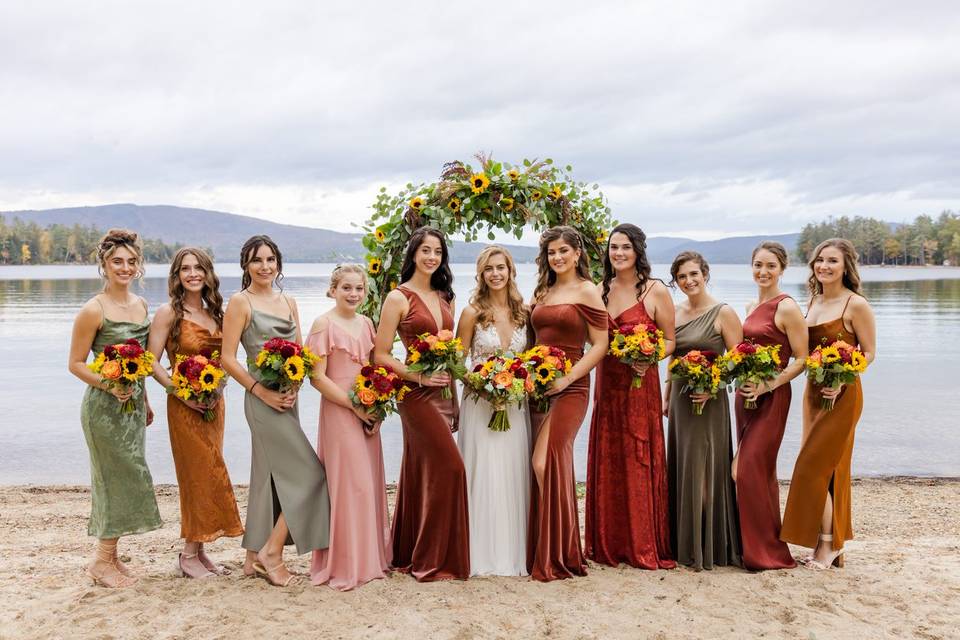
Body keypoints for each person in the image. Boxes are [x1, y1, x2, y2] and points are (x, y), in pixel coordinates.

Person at [220, 235, 330, 587]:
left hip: (289, 398)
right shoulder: (240, 302)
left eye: (270, 260)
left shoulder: (289, 301)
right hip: (261, 400)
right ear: (245, 265)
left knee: (268, 475)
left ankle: (253, 555)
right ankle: (272, 551)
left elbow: (298, 350)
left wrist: (296, 385)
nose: (265, 267)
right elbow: (227, 359)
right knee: (312, 475)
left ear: (278, 263)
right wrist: (261, 392)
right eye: (257, 260)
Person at [373, 227, 470, 581]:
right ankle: (432, 558)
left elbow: (451, 356)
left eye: (438, 252)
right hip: (415, 395)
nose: (432, 257)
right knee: (452, 469)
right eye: (425, 250)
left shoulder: (446, 296)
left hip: (443, 394)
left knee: (423, 473)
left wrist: (455, 400)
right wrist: (417, 377)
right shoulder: (398, 298)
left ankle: (410, 550)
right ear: (413, 253)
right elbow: (380, 354)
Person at [67, 229, 162, 587]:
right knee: (114, 479)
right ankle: (101, 561)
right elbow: (76, 363)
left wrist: (146, 399)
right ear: (104, 265)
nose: (125, 267)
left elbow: (143, 360)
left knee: (127, 476)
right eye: (117, 262)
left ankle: (112, 557)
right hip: (104, 410)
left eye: (131, 262)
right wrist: (111, 384)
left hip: (133, 408)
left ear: (138, 266)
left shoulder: (140, 305)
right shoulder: (93, 309)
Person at [781, 238, 877, 570]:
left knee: (811, 467)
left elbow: (868, 353)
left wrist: (841, 379)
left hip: (843, 395)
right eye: (819, 260)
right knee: (828, 469)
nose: (824, 266)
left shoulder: (856, 305)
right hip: (813, 393)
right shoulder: (814, 300)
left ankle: (827, 546)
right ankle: (833, 543)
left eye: (832, 261)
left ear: (846, 266)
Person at [148, 247, 243, 578]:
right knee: (196, 474)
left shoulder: (218, 314)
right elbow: (151, 362)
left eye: (198, 268)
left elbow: (226, 360)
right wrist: (180, 392)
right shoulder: (167, 313)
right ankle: (188, 554)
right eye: (185, 269)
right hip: (184, 406)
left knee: (211, 469)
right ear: (176, 275)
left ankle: (199, 550)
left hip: (214, 404)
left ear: (208, 273)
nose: (192, 274)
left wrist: (219, 386)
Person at [586, 223, 676, 570]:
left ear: (638, 250)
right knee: (610, 455)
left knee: (638, 456)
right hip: (607, 385)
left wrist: (648, 357)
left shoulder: (655, 291)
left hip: (640, 386)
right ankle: (607, 542)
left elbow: (670, 340)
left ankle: (642, 542)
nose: (619, 253)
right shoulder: (598, 290)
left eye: (625, 247)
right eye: (613, 248)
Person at [527, 226, 608, 581]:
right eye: (551, 252)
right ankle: (541, 544)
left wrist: (568, 377)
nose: (557, 257)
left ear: (577, 254)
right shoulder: (543, 291)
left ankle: (560, 549)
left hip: (571, 386)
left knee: (545, 463)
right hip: (537, 388)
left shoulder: (588, 291)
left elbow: (601, 345)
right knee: (540, 465)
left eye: (563, 251)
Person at [307, 264, 391, 590]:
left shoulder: (367, 323)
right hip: (340, 412)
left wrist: (377, 408)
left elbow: (371, 371)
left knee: (369, 484)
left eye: (358, 288)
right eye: (346, 288)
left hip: (367, 410)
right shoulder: (322, 324)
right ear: (333, 289)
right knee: (350, 486)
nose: (353, 294)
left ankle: (371, 560)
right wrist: (354, 405)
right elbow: (317, 378)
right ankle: (345, 563)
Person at [456, 246, 531, 576]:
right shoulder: (471, 312)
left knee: (513, 470)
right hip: (479, 403)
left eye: (501, 267)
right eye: (489, 269)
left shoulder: (524, 312)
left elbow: (530, 360)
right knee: (484, 470)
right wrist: (479, 382)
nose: (496, 273)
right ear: (481, 274)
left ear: (511, 270)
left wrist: (515, 384)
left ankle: (515, 551)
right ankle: (480, 553)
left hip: (514, 405)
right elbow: (456, 363)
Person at [665, 251, 742, 570]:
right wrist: (666, 395)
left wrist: (713, 385)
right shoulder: (675, 312)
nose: (689, 281)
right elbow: (672, 358)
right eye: (682, 276)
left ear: (705, 274)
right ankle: (684, 542)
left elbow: (738, 359)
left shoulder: (723, 312)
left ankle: (708, 545)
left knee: (706, 469)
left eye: (694, 274)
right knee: (684, 468)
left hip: (710, 402)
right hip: (682, 402)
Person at [732, 242, 807, 570]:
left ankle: (768, 552)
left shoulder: (787, 307)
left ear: (782, 269)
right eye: (758, 265)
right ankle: (749, 546)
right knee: (754, 473)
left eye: (770, 266)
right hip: (744, 397)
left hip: (772, 396)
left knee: (749, 469)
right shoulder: (751, 305)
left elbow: (801, 359)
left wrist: (769, 383)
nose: (763, 272)